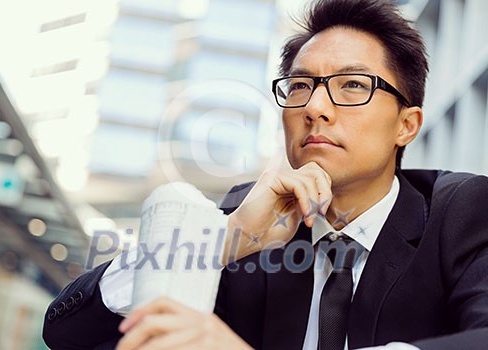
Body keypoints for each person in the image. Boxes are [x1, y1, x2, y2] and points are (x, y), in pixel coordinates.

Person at [42, 0, 488, 349]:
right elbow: (67, 334)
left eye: (352, 85)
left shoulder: (460, 213)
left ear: (406, 125)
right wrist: (225, 239)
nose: (314, 107)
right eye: (299, 86)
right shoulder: (247, 215)